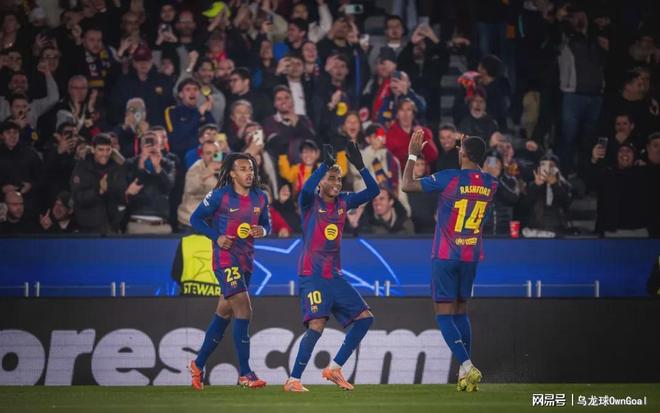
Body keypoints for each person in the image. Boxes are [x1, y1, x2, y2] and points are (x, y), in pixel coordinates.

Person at [402, 131, 498, 392]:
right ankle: (464, 374)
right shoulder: (491, 183)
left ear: (463, 153)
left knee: (444, 314)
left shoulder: (449, 177)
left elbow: (407, 185)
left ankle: (467, 365)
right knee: (461, 311)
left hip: (446, 255)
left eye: (460, 148)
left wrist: (412, 155)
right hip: (471, 256)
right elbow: (486, 183)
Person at [284, 142, 379, 392]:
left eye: (339, 178)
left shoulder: (344, 202)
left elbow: (374, 190)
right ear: (321, 182)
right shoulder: (309, 202)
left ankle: (334, 368)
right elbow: (306, 188)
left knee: (365, 319)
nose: (337, 182)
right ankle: (293, 380)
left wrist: (360, 166)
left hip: (335, 276)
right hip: (312, 275)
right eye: (331, 178)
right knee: (316, 325)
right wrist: (324, 165)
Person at [188, 153, 271, 390]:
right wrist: (217, 237)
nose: (249, 173)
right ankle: (245, 373)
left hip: (246, 261)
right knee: (244, 308)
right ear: (232, 174)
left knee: (224, 313)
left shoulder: (260, 197)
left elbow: (267, 224)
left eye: (251, 169)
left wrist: (263, 231)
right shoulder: (220, 196)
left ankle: (197, 364)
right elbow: (196, 219)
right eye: (243, 169)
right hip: (225, 259)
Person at [70, 133, 128, 234]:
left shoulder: (116, 167)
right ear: (93, 149)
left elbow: (122, 195)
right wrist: (99, 191)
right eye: (101, 149)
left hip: (112, 226)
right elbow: (78, 198)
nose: (105, 154)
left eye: (108, 149)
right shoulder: (82, 167)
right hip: (88, 228)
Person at [177, 140, 221, 229]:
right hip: (192, 220)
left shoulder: (226, 169)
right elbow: (191, 189)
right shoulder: (195, 169)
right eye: (208, 153)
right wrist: (207, 173)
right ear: (202, 155)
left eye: (216, 153)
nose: (213, 157)